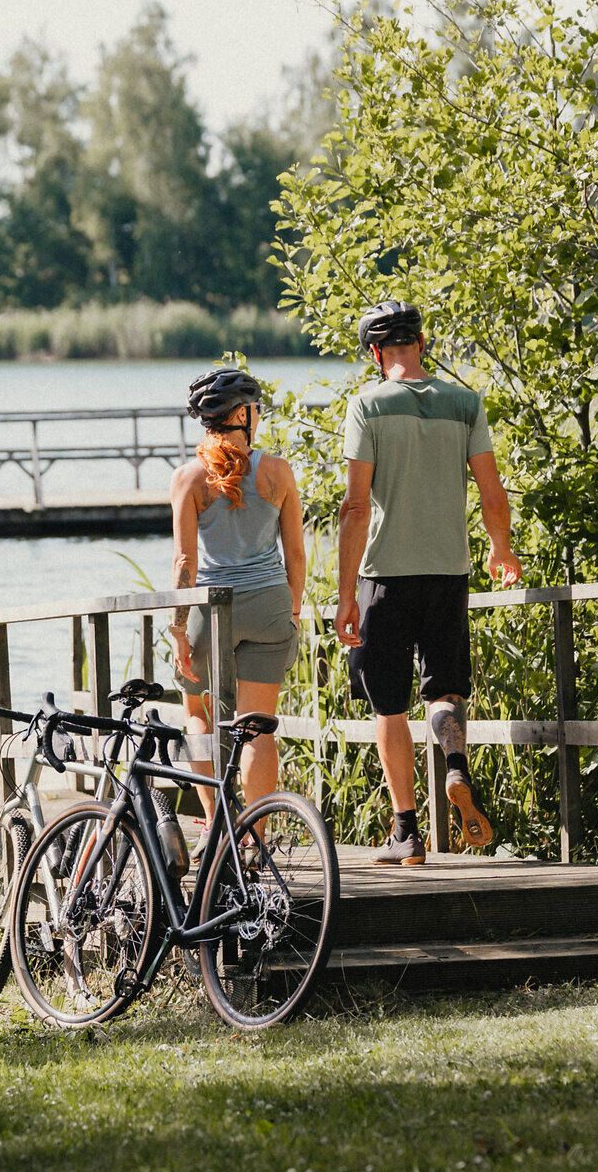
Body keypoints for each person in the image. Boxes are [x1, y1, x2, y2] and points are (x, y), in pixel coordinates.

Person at [334, 300, 522, 865]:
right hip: (449, 573)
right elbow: (492, 491)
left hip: (385, 576)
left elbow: (355, 507)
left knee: (388, 708)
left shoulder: (366, 404)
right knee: (444, 691)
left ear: (375, 353)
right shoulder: (465, 404)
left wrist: (346, 594)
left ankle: (407, 833)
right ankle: (456, 766)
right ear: (421, 343)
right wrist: (501, 549)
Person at [168, 367, 307, 825]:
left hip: (213, 609)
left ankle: (214, 821)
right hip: (269, 604)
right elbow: (297, 557)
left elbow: (184, 565)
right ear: (244, 414)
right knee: (258, 726)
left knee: (198, 715)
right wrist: (291, 611)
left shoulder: (188, 478)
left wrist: (178, 631)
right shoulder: (278, 471)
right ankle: (257, 837)